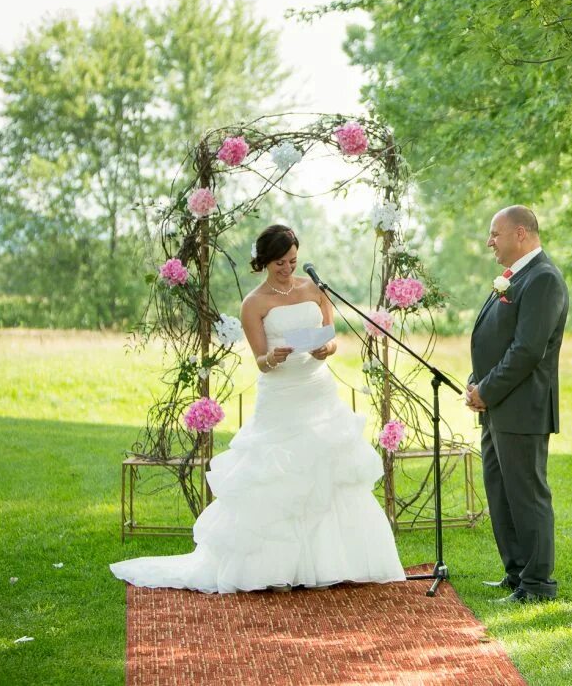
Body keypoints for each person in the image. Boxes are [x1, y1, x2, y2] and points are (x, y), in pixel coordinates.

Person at [111, 225, 405, 592]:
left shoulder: (315, 289)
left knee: (326, 468)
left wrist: (323, 349)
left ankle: (333, 562)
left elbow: (332, 341)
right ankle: (273, 568)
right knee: (278, 474)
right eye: (280, 262)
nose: (287, 268)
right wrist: (273, 356)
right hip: (281, 394)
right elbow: (260, 360)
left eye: (293, 260)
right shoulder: (254, 302)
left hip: (318, 390)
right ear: (265, 261)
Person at [466, 206, 569, 604]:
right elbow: (497, 338)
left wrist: (486, 390)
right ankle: (516, 573)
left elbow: (527, 350)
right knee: (501, 491)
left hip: (522, 407)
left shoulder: (543, 279)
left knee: (526, 493)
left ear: (521, 234)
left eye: (496, 233)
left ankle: (538, 583)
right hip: (497, 406)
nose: (490, 241)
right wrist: (478, 383)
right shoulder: (514, 277)